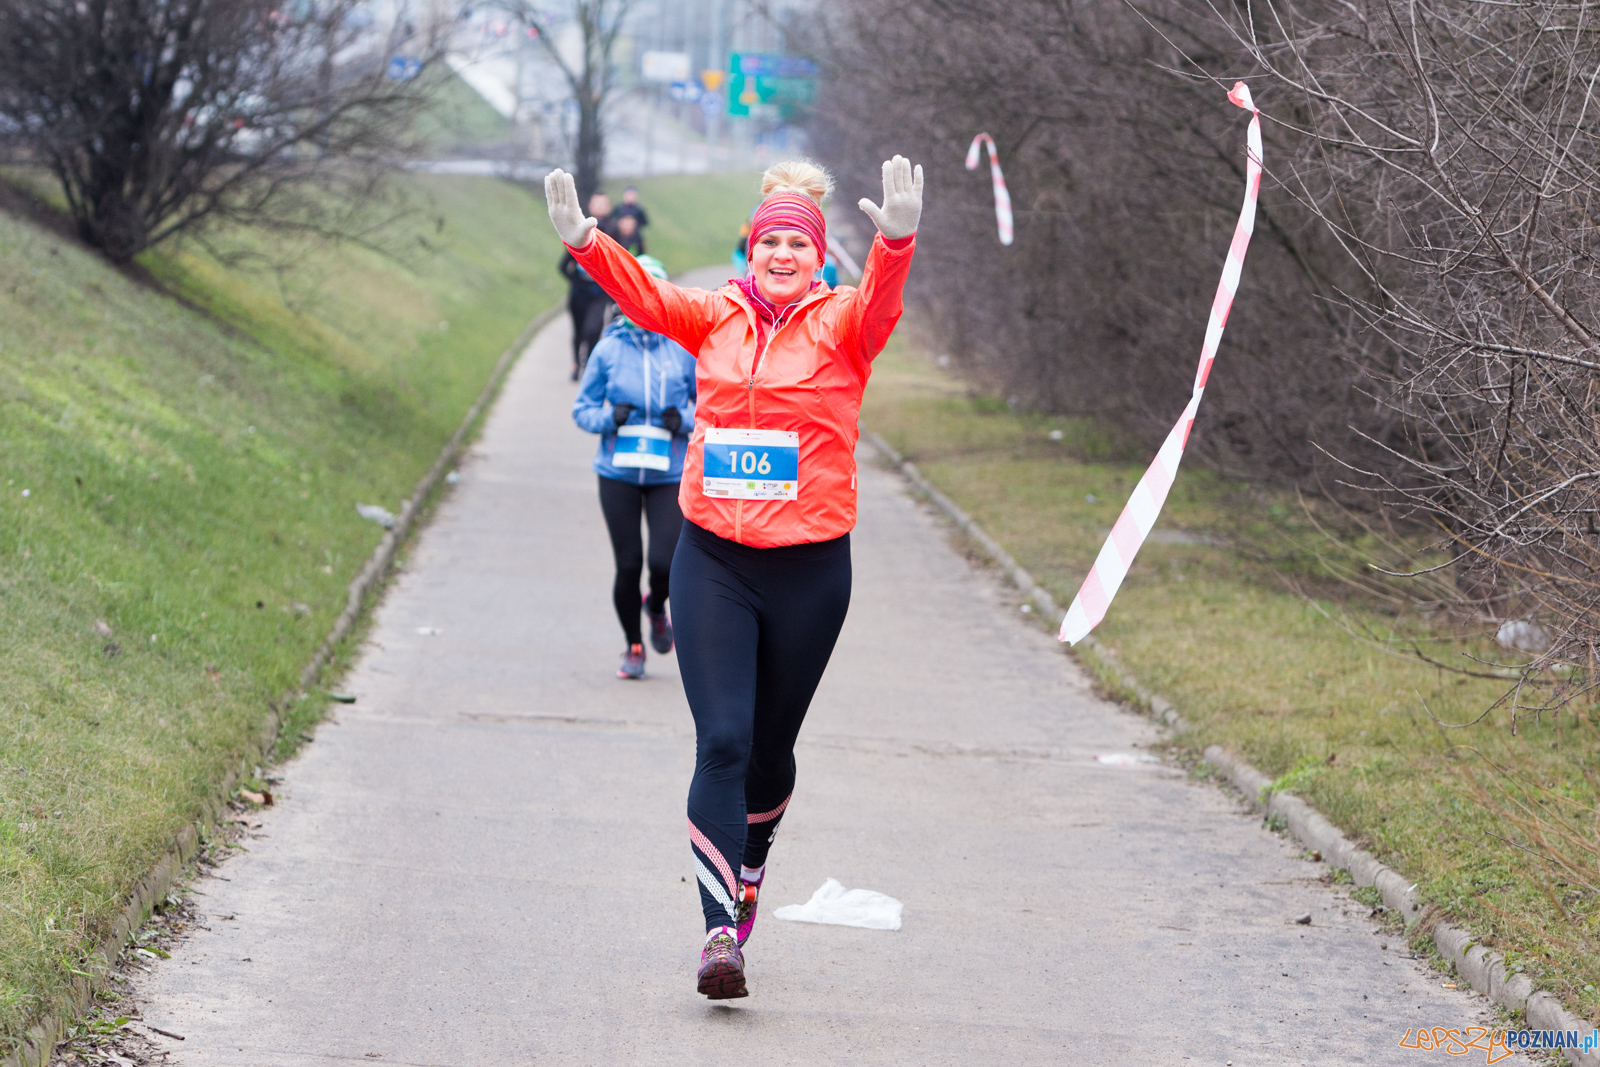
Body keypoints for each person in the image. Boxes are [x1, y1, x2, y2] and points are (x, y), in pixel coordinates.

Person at [545, 153, 922, 1000]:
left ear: (818, 256)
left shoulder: (844, 326)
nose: (781, 253)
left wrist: (896, 242)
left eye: (797, 242)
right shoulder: (711, 318)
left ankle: (750, 869)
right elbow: (645, 297)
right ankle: (719, 932)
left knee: (769, 752)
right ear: (749, 250)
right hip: (713, 557)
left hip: (810, 570)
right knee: (721, 738)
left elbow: (884, 302)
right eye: (768, 241)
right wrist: (586, 243)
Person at [571, 254, 695, 679]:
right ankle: (634, 646)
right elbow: (582, 410)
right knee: (628, 564)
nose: (640, 305)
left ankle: (656, 607)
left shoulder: (683, 349)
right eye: (632, 296)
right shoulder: (607, 349)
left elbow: (717, 409)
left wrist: (686, 421)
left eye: (651, 295)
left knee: (664, 563)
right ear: (622, 301)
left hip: (668, 473)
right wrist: (609, 419)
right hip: (618, 472)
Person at [559, 249, 610, 381]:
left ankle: (588, 365)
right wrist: (576, 281)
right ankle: (576, 364)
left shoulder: (602, 247)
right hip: (578, 297)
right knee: (579, 333)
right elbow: (562, 267)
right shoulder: (575, 246)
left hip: (597, 296)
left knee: (593, 330)